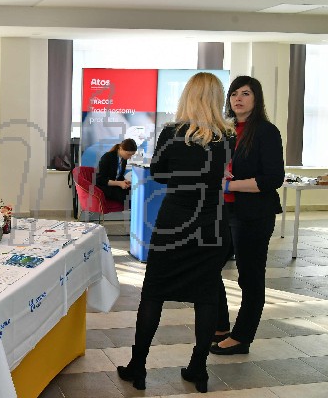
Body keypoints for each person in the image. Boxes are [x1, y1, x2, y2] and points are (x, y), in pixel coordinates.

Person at [117, 72, 234, 393]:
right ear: (218, 98)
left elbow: (158, 172)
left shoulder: (171, 133)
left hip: (175, 222)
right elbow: (219, 174)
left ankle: (138, 366)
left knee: (154, 292)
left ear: (187, 96)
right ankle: (199, 368)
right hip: (211, 224)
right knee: (206, 295)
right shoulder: (227, 137)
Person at [210, 76, 284, 355]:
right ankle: (220, 326)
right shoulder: (225, 130)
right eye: (234, 94)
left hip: (254, 213)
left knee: (249, 277)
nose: (238, 99)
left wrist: (230, 186)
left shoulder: (266, 131)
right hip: (223, 209)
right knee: (208, 267)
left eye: (245, 94)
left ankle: (242, 337)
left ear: (256, 99)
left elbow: (273, 178)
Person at [95, 138, 137, 203]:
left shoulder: (123, 159)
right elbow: (100, 180)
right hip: (104, 187)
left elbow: (119, 176)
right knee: (129, 198)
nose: (130, 157)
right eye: (128, 154)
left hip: (114, 185)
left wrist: (124, 181)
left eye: (132, 155)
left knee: (135, 193)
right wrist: (119, 183)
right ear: (121, 149)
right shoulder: (107, 157)